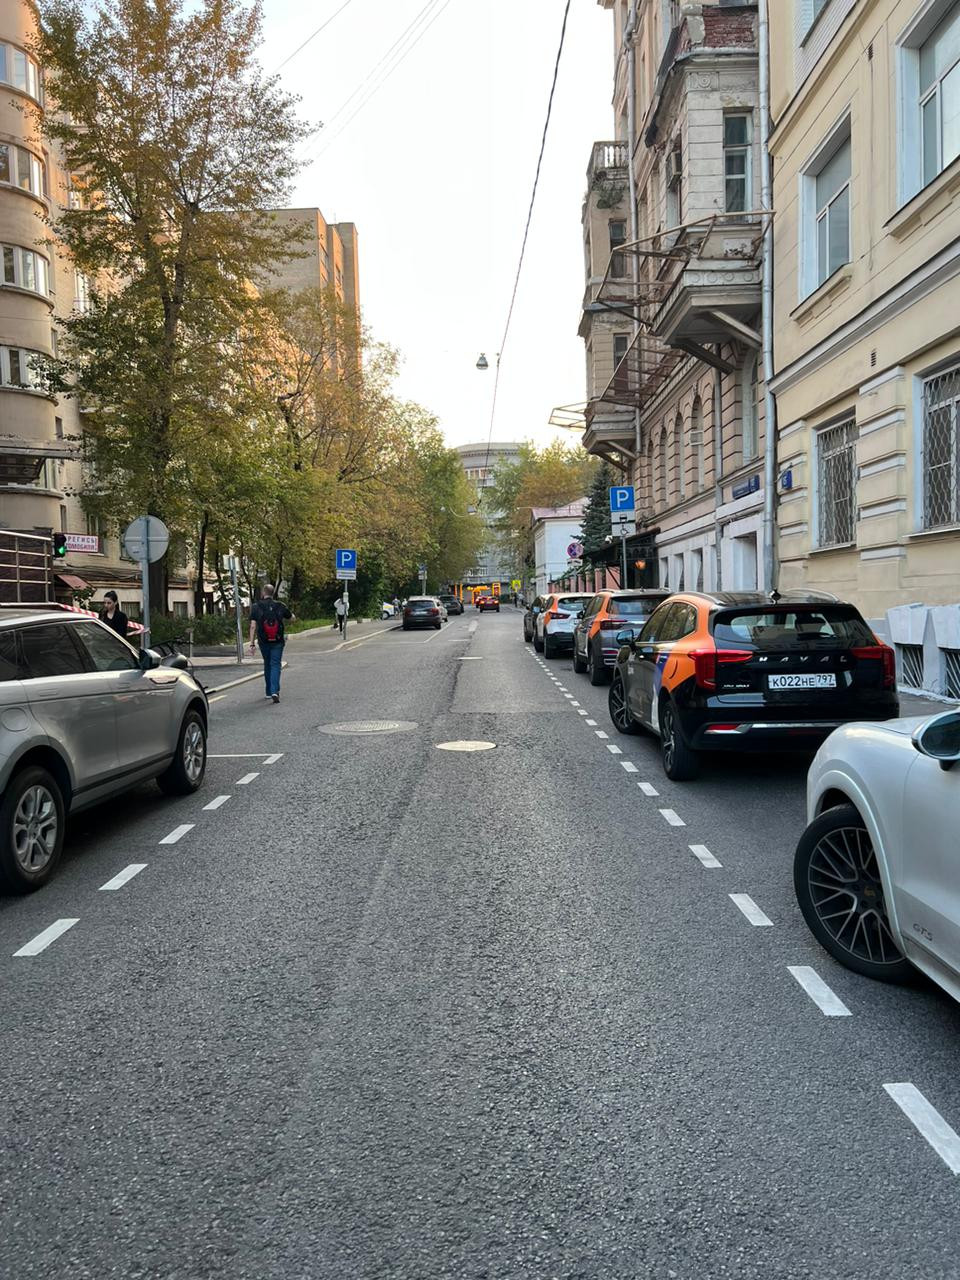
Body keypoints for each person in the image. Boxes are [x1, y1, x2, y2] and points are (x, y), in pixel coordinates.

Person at [248, 584, 293, 704]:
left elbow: (253, 626)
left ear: (263, 592)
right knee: (275, 664)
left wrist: (252, 644)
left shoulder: (256, 607)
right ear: (273, 593)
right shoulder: (280, 605)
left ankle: (268, 692)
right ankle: (275, 691)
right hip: (278, 641)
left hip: (263, 641)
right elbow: (291, 617)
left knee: (267, 664)